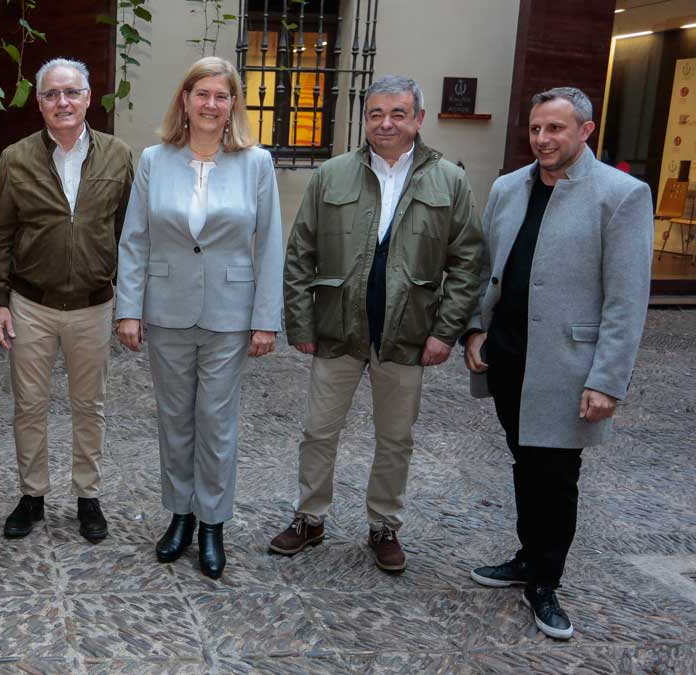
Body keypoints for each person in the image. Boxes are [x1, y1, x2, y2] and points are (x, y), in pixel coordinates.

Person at [269, 75, 483, 572]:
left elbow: (468, 262)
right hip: (338, 330)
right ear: (364, 118)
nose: (385, 123)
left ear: (419, 119)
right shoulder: (332, 175)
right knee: (318, 431)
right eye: (375, 114)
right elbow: (301, 252)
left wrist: (444, 331)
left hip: (407, 335)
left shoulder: (449, 181)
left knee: (395, 438)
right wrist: (300, 325)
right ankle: (309, 517)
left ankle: (384, 525)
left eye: (398, 113)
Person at [464, 86, 652, 640]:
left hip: (570, 364)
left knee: (557, 473)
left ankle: (545, 579)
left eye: (556, 129)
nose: (542, 140)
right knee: (525, 459)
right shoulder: (508, 187)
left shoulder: (621, 196)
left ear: (586, 131)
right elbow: (485, 267)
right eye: (536, 129)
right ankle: (528, 556)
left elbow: (626, 298)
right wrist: (476, 330)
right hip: (509, 354)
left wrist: (607, 380)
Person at [116, 56, 283, 579]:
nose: (211, 104)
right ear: (185, 101)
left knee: (216, 423)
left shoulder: (257, 163)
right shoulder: (153, 159)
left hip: (229, 315)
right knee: (174, 421)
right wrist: (129, 309)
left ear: (234, 104)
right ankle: (180, 516)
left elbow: (270, 243)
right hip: (166, 311)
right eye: (201, 94)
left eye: (222, 95)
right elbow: (135, 238)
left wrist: (265, 318)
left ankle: (213, 523)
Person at [0, 58, 134, 541]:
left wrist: (130, 304)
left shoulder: (118, 156)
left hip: (93, 305)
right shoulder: (15, 158)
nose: (62, 102)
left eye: (72, 93)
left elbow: (132, 235)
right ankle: (32, 496)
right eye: (51, 94)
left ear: (89, 98)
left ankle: (88, 497)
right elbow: (1, 234)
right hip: (31, 304)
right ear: (40, 102)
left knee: (90, 406)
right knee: (29, 405)